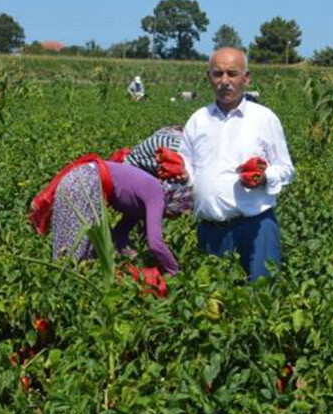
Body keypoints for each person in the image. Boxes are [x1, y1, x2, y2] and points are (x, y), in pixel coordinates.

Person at [163, 48, 294, 281]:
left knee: (261, 297)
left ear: (246, 77)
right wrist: (183, 174)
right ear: (209, 78)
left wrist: (263, 177)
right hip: (211, 229)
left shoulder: (264, 118)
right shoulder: (198, 119)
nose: (224, 81)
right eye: (217, 74)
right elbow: (189, 168)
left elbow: (286, 169)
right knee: (216, 305)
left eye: (232, 74)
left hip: (255, 227)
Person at [46, 157, 178, 274]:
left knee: (69, 246)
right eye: (175, 214)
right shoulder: (157, 194)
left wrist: (132, 259)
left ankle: (62, 281)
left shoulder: (140, 206)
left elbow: (120, 234)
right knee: (79, 250)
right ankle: (66, 284)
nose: (171, 218)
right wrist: (175, 271)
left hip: (77, 176)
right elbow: (156, 243)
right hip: (85, 182)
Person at [121, 125, 194, 218]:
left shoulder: (181, 139)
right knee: (173, 206)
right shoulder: (179, 147)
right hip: (131, 173)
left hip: (143, 172)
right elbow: (173, 180)